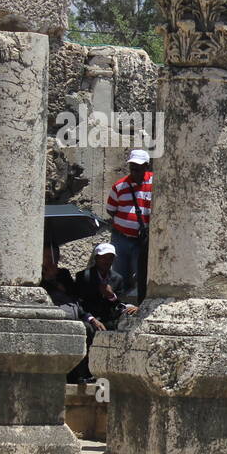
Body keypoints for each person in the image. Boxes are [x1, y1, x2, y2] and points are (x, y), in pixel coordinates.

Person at [41, 245, 104, 383]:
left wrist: (91, 318)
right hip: (53, 317)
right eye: (46, 257)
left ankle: (84, 373)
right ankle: (73, 375)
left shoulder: (63, 274)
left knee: (91, 327)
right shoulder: (37, 275)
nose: (49, 260)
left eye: (51, 257)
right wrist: (48, 279)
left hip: (74, 314)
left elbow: (75, 298)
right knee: (80, 329)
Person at [104, 148, 152, 298]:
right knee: (119, 275)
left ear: (146, 167)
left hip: (142, 239)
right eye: (132, 168)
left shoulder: (156, 183)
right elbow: (111, 210)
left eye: (138, 168)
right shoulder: (119, 186)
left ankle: (137, 305)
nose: (135, 171)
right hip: (122, 238)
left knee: (140, 275)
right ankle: (120, 307)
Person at [74, 242, 138, 330]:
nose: (107, 261)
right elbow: (78, 302)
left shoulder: (117, 278)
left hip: (109, 320)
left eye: (110, 258)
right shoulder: (83, 276)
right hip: (89, 318)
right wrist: (91, 319)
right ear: (96, 258)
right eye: (103, 258)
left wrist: (111, 296)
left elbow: (119, 302)